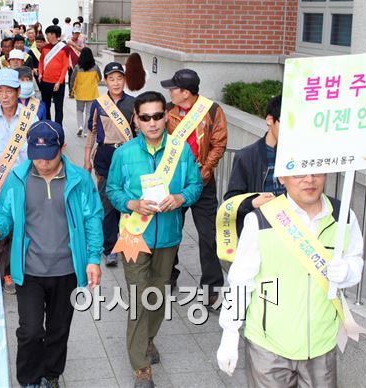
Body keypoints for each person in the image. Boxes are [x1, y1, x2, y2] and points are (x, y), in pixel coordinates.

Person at [0, 120, 104, 388]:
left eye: (49, 156)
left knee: (59, 330)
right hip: (29, 269)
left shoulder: (80, 179)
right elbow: (5, 216)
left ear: (63, 147)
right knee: (30, 331)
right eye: (36, 156)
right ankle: (29, 380)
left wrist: (93, 258)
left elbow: (92, 217)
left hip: (67, 269)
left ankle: (51, 375)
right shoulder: (17, 178)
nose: (42, 163)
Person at [216, 173, 364, 387]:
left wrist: (348, 270)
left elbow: (355, 260)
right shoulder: (261, 219)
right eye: (298, 173)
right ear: (282, 177)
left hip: (321, 344)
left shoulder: (344, 217)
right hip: (268, 345)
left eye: (317, 172)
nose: (309, 180)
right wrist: (230, 332)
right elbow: (241, 280)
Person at [106, 91, 203, 388]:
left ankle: (148, 339)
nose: (152, 123)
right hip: (135, 235)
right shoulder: (124, 154)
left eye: (158, 116)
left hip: (168, 236)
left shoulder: (181, 151)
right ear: (136, 119)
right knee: (138, 297)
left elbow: (196, 185)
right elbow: (112, 190)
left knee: (158, 296)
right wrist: (132, 204)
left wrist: (181, 197)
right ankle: (141, 367)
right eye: (145, 117)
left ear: (166, 117)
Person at [161, 69, 227, 303]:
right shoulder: (168, 110)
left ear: (186, 93)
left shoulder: (212, 111)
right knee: (171, 231)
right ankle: (167, 276)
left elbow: (219, 144)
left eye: (173, 89)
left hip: (202, 182)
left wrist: (203, 172)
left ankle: (212, 288)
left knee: (209, 235)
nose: (169, 92)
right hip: (174, 182)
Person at [0, 68, 41, 295]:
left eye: (9, 91)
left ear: (18, 91)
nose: (4, 95)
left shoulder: (31, 118)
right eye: (0, 90)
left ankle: (12, 272)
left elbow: (39, 152)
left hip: (24, 186)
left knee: (20, 230)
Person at [85, 62, 135, 266]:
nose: (116, 83)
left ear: (125, 80)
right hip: (105, 157)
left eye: (119, 78)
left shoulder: (133, 102)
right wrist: (87, 157)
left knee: (127, 201)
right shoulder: (98, 103)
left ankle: (129, 242)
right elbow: (93, 131)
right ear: (105, 81)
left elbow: (139, 131)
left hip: (128, 157)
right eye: (111, 78)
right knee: (106, 203)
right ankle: (110, 248)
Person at [224, 95, 285, 235]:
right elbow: (231, 201)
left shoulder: (299, 155)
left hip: (292, 232)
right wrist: (253, 203)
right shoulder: (246, 156)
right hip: (259, 230)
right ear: (270, 120)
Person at [39, 25, 69, 125]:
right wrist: (40, 73)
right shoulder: (45, 48)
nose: (47, 36)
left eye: (48, 34)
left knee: (58, 108)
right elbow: (41, 61)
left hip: (58, 83)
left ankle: (58, 129)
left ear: (54, 35)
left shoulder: (64, 48)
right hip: (45, 82)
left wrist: (59, 81)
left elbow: (65, 66)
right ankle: (48, 126)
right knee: (46, 106)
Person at [70, 47, 101, 137]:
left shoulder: (77, 67)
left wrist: (72, 90)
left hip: (80, 92)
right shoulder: (95, 67)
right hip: (91, 93)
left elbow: (72, 79)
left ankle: (80, 126)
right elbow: (100, 78)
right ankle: (86, 131)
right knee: (88, 112)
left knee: (79, 110)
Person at [66, 26, 85, 96]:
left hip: (78, 61)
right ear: (72, 33)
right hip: (70, 62)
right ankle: (71, 92)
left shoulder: (80, 41)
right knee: (71, 77)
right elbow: (65, 52)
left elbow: (82, 50)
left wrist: (74, 45)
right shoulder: (68, 41)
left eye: (78, 33)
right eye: (75, 33)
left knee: (79, 77)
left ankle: (78, 91)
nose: (76, 35)